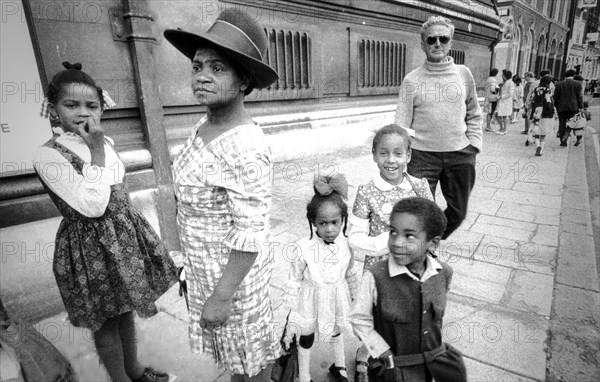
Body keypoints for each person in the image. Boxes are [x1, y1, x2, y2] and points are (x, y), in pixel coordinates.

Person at [32, 62, 177, 382]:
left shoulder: (104, 143)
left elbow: (117, 187)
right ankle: (121, 380)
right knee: (105, 321)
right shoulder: (48, 155)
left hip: (122, 238)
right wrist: (96, 149)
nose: (83, 113)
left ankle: (134, 369)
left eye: (91, 105)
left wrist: (98, 147)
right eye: (71, 105)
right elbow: (93, 206)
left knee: (125, 310)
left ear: (102, 108)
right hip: (89, 248)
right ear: (54, 110)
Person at [164, 9, 280, 381]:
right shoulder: (204, 124)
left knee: (250, 361)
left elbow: (251, 233)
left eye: (217, 69)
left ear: (244, 81)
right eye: (197, 66)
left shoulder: (246, 146)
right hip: (204, 269)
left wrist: (222, 296)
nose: (201, 76)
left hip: (232, 281)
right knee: (233, 363)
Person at [348, 124, 433, 382]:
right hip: (381, 272)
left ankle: (404, 360)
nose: (391, 160)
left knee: (407, 318)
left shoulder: (420, 187)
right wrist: (387, 242)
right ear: (374, 155)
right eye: (383, 153)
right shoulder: (367, 192)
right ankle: (369, 355)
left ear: (409, 155)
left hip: (413, 270)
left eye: (398, 153)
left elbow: (430, 226)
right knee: (378, 319)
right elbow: (354, 238)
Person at [350, 197, 467, 382]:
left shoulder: (444, 273)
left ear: (433, 243)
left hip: (433, 367)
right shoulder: (375, 276)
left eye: (409, 236)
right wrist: (383, 352)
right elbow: (359, 318)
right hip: (395, 370)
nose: (397, 242)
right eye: (393, 232)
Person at [394, 15, 482, 240]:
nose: (437, 44)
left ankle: (432, 241)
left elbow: (474, 112)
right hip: (422, 158)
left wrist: (474, 144)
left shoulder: (463, 74)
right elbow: (402, 124)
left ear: (451, 42)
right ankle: (423, 253)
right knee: (420, 212)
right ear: (423, 44)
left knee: (459, 212)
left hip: (460, 154)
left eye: (443, 39)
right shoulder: (411, 80)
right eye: (431, 40)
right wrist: (399, 157)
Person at [283, 174, 358, 382]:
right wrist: (292, 303)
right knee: (306, 336)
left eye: (335, 222)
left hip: (336, 296)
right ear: (313, 222)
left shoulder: (346, 243)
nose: (330, 228)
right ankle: (305, 376)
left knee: (336, 330)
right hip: (310, 297)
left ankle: (340, 366)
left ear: (343, 220)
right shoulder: (303, 247)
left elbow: (350, 270)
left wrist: (354, 294)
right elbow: (294, 276)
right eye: (323, 223)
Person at [527, 75, 556, 156]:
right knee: (543, 133)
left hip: (536, 110)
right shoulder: (548, 90)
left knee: (537, 130)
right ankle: (540, 150)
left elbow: (533, 99)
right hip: (544, 111)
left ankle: (537, 146)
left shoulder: (536, 89)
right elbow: (548, 101)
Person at [554, 69, 583, 146]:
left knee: (562, 124)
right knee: (572, 123)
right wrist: (581, 106)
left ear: (565, 76)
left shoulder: (559, 84)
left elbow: (555, 97)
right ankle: (566, 136)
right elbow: (579, 97)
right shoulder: (577, 84)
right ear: (573, 76)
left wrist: (557, 106)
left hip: (561, 107)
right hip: (574, 107)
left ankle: (562, 141)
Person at [496, 69, 514, 135]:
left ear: (504, 75)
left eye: (502, 75)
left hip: (506, 101)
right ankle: (501, 128)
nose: (501, 76)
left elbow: (510, 93)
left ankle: (504, 129)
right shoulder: (504, 82)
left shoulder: (511, 83)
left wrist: (502, 96)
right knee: (499, 115)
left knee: (504, 116)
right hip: (502, 101)